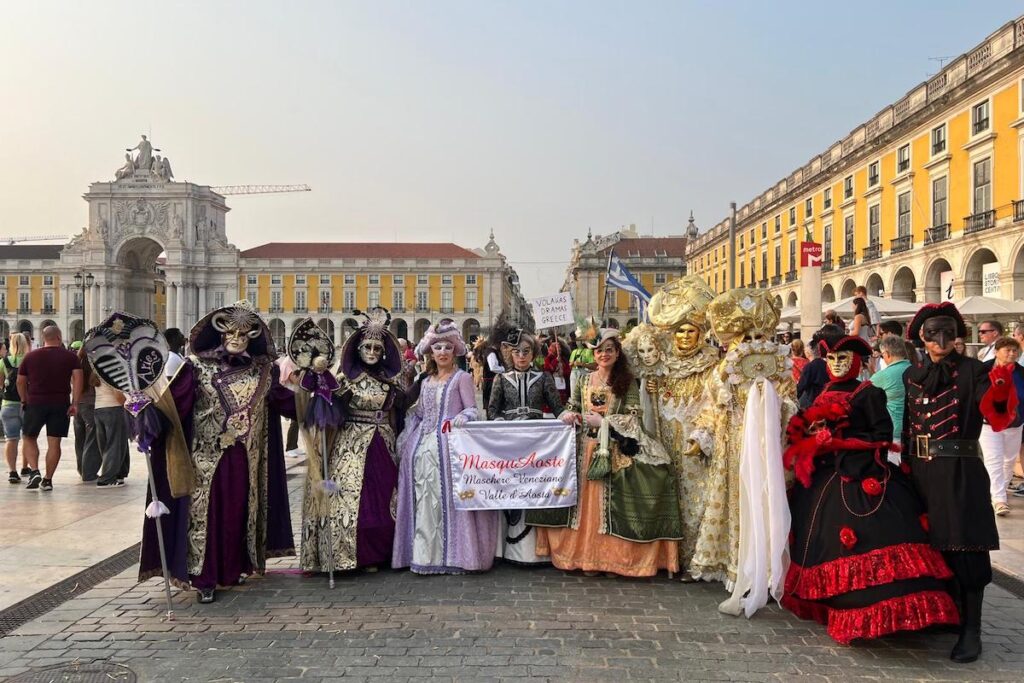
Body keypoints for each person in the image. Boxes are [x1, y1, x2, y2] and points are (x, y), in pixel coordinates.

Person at [782, 331, 958, 644]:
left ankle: (887, 609)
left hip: (861, 471)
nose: (836, 365)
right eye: (832, 359)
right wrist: (812, 435)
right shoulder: (824, 391)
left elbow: (881, 433)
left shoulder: (869, 392)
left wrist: (840, 441)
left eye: (843, 359)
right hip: (825, 474)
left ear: (858, 362)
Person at [138, 301, 296, 603]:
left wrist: (325, 400)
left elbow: (284, 402)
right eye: (231, 333)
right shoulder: (197, 368)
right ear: (220, 334)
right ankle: (204, 576)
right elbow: (175, 405)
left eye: (243, 334)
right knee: (206, 516)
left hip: (246, 460)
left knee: (239, 513)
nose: (236, 339)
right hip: (204, 460)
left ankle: (235, 566)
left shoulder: (263, 371)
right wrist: (146, 412)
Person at [902, 302, 1017, 663]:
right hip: (920, 469)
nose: (941, 340)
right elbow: (909, 422)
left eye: (948, 333)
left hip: (959, 470)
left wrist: (1000, 382)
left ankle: (972, 629)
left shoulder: (973, 371)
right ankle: (945, 614)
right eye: (933, 333)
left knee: (965, 546)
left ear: (958, 337)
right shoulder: (912, 373)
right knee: (929, 544)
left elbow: (997, 410)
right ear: (921, 337)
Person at [529, 328, 682, 578]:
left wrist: (606, 423)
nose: (603, 354)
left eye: (608, 350)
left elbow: (635, 417)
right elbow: (573, 406)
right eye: (599, 350)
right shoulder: (583, 380)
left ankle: (613, 561)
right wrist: (570, 414)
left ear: (617, 352)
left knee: (615, 503)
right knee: (585, 508)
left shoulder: (627, 381)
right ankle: (586, 557)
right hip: (586, 449)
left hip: (613, 448)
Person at [686, 290, 795, 616]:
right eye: (744, 336)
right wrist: (700, 437)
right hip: (731, 449)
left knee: (764, 500)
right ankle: (741, 566)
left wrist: (772, 403)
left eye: (756, 335)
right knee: (738, 504)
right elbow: (711, 409)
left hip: (766, 448)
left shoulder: (777, 368)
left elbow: (790, 404)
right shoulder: (723, 371)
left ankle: (766, 566)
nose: (749, 342)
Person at [298, 307, 405, 573]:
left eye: (377, 349)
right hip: (351, 446)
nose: (371, 352)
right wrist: (322, 390)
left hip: (383, 443)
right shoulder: (346, 380)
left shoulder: (390, 382)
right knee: (349, 497)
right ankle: (349, 555)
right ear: (357, 349)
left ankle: (379, 554)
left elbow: (400, 409)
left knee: (384, 497)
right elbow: (329, 406)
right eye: (367, 347)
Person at [631, 274, 720, 578]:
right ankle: (667, 557)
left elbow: (714, 405)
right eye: (679, 331)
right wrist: (650, 388)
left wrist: (702, 436)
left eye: (690, 331)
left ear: (700, 334)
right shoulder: (662, 361)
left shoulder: (711, 365)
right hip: (665, 441)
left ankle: (694, 556)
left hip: (695, 446)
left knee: (695, 501)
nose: (684, 337)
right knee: (667, 498)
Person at [393, 321, 498, 574]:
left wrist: (462, 417)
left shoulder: (461, 378)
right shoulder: (426, 380)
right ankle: (423, 555)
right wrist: (409, 431)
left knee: (447, 501)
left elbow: (472, 408)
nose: (442, 352)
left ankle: (455, 555)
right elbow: (420, 412)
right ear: (431, 352)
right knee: (425, 501)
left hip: (449, 449)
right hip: (421, 449)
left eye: (447, 348)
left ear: (454, 352)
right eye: (437, 347)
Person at [487, 328, 563, 564]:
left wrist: (567, 416)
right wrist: (501, 424)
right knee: (512, 487)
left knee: (534, 487)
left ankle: (534, 550)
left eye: (526, 352)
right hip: (510, 444)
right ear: (510, 354)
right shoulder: (501, 379)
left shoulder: (544, 378)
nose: (521, 356)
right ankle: (511, 548)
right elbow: (492, 411)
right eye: (517, 352)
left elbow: (557, 408)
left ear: (533, 354)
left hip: (536, 443)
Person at [16, 325, 83, 491]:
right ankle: (47, 480)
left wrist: (24, 399)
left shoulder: (31, 357)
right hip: (60, 403)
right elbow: (78, 379)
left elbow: (20, 381)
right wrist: (75, 403)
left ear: (43, 338)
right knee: (55, 442)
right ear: (59, 337)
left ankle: (35, 470)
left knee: (29, 437)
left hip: (35, 403)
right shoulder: (71, 357)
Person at [979, 337, 1024, 516]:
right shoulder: (983, 370)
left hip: (1015, 423)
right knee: (993, 460)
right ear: (997, 351)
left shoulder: (1021, 372)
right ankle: (999, 499)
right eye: (1007, 350)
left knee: (1009, 460)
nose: (1012, 353)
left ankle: (999, 492)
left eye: (1015, 350)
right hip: (988, 424)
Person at [870, 335, 912, 465]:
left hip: (893, 432)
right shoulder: (915, 370)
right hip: (914, 431)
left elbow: (862, 393)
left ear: (887, 354)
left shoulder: (882, 376)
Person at [93, 359, 129, 487]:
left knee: (106, 444)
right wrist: (130, 401)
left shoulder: (96, 372)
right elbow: (119, 397)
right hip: (114, 409)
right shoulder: (113, 373)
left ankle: (119, 473)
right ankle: (107, 478)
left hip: (99, 409)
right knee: (115, 444)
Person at [2, 332, 30, 483]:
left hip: (8, 404)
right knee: (28, 438)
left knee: (11, 439)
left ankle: (12, 471)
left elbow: (1, 385)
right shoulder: (30, 360)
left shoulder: (3, 361)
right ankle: (26, 467)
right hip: (27, 404)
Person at [797, 325, 842, 410]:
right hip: (827, 399)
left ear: (808, 352)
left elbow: (801, 386)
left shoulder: (810, 366)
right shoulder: (826, 363)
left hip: (813, 400)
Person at [74, 346, 101, 482]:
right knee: (92, 440)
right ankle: (89, 472)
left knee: (80, 440)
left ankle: (82, 469)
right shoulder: (95, 364)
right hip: (91, 404)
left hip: (78, 404)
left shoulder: (76, 363)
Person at [543, 339, 570, 405]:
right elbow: (547, 369)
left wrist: (563, 371)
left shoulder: (563, 359)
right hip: (553, 381)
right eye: (557, 347)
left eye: (560, 347)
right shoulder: (548, 358)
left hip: (563, 381)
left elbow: (568, 370)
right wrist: (556, 361)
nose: (559, 349)